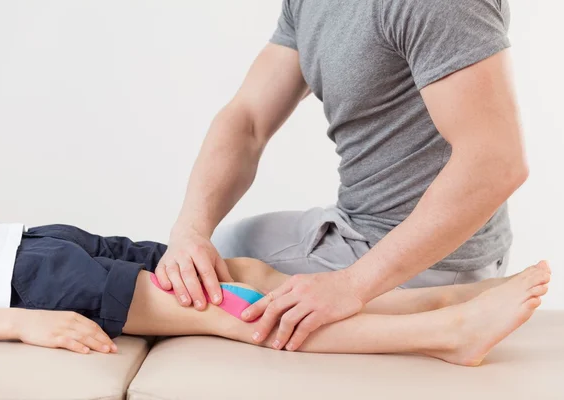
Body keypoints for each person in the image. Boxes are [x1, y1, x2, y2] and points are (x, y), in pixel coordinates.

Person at [154, 0, 527, 351]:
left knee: (213, 283)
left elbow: (496, 162)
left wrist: (352, 286)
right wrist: (189, 229)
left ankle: (453, 315)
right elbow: (249, 119)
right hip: (358, 224)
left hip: (435, 261)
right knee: (223, 247)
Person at [0, 222, 550, 367]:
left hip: (32, 242)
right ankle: (449, 336)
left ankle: (446, 301)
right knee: (230, 308)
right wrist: (20, 322)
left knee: (242, 270)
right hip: (25, 284)